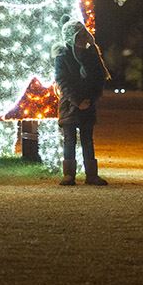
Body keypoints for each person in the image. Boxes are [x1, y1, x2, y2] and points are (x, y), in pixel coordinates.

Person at [54, 17, 110, 186]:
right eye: (78, 37)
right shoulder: (62, 57)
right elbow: (63, 82)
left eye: (84, 36)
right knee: (69, 139)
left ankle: (91, 175)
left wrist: (90, 99)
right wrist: (77, 101)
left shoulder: (91, 56)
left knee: (87, 139)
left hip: (87, 103)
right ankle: (69, 174)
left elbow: (99, 78)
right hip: (70, 105)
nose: (82, 40)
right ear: (71, 38)